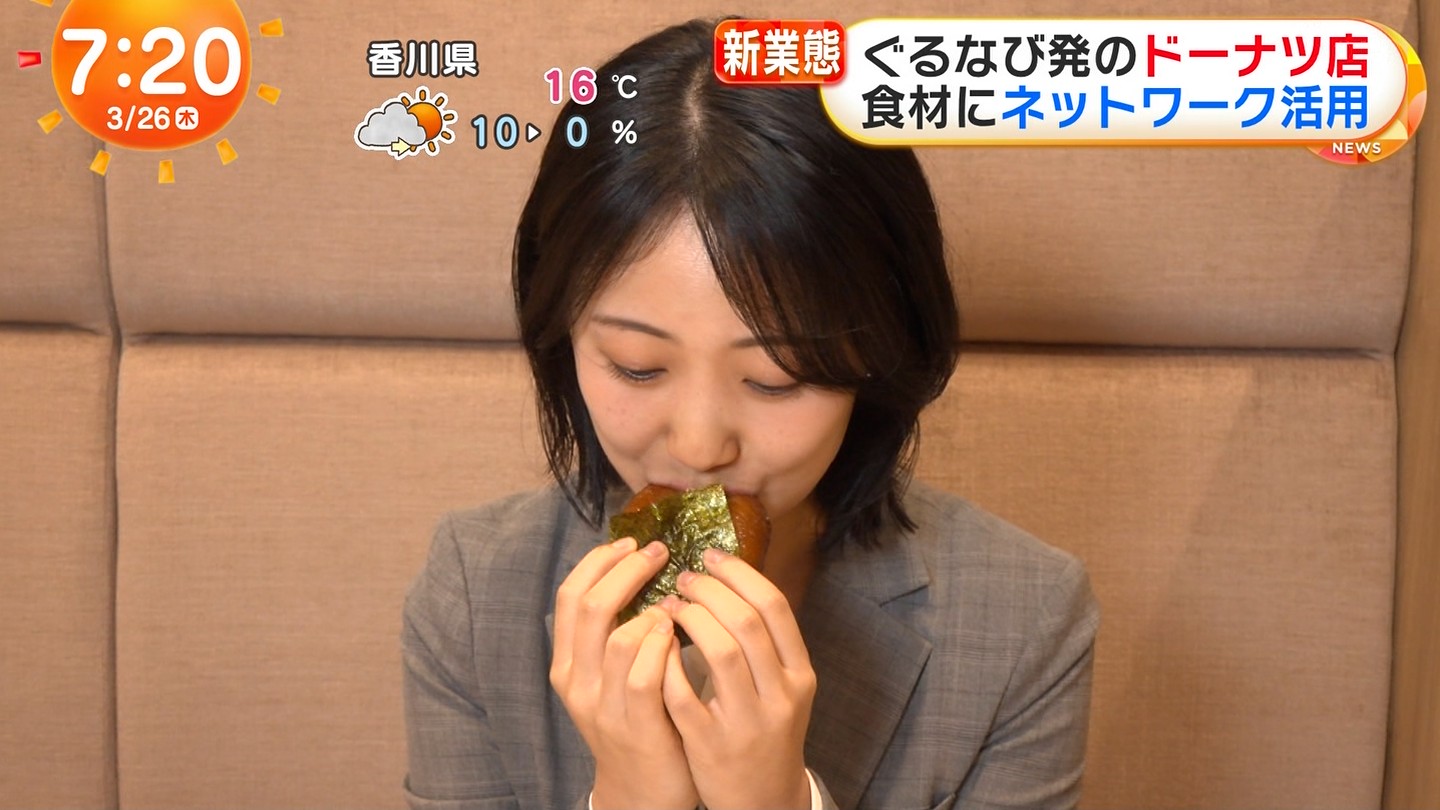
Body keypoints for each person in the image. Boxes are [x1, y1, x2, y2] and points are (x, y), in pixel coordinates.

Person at [402, 17, 1100, 810]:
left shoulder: (1023, 619)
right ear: (563, 340)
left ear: (878, 357)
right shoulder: (475, 591)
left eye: (776, 378)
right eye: (637, 366)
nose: (700, 445)